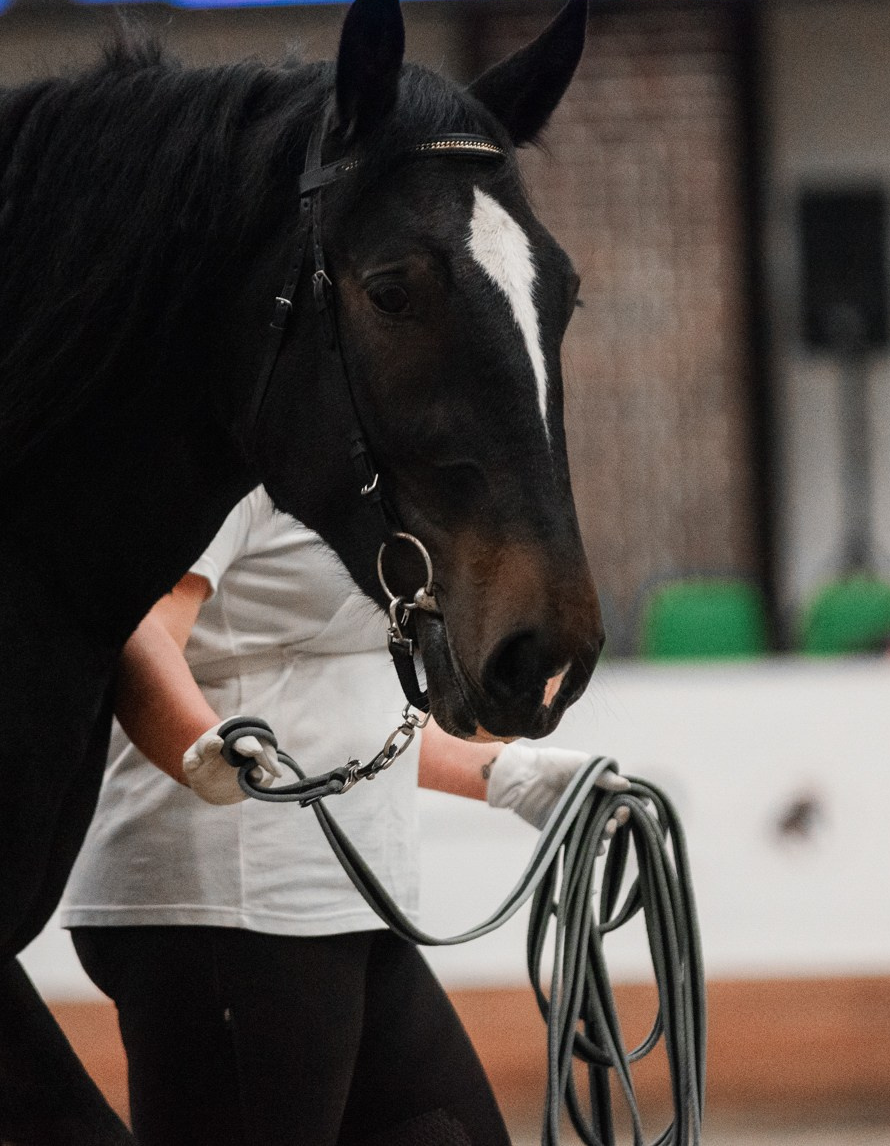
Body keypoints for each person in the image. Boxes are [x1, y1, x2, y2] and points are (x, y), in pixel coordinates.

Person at [61, 487, 622, 1146]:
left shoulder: (372, 476)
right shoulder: (235, 474)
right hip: (225, 906)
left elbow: (350, 710)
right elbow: (145, 630)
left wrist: (511, 776)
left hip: (351, 904)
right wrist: (197, 743)